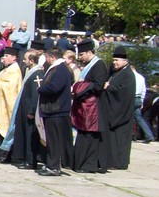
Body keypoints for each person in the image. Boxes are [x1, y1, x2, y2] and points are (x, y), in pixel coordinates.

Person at [71, 39, 111, 174]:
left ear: (89, 52)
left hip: (93, 108)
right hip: (85, 107)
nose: (80, 57)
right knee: (84, 135)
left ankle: (88, 165)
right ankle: (79, 162)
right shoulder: (89, 65)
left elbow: (98, 85)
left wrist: (80, 88)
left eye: (82, 54)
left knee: (90, 137)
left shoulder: (99, 65)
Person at [36, 48, 74, 176]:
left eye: (47, 57)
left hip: (56, 110)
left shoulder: (60, 69)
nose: (46, 60)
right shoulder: (57, 68)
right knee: (51, 140)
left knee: (54, 140)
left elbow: (54, 88)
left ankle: (53, 167)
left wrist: (40, 89)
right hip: (52, 110)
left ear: (52, 57)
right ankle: (51, 164)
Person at [8, 50, 44, 170]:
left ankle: (30, 160)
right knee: (23, 134)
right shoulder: (31, 72)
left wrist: (32, 111)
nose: (23, 61)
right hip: (24, 108)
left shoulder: (37, 74)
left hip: (29, 110)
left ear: (32, 60)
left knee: (30, 136)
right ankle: (22, 157)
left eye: (25, 59)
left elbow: (36, 94)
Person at [104, 46, 135, 170]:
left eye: (117, 60)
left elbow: (123, 93)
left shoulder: (128, 75)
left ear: (125, 61)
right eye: (113, 60)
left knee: (120, 140)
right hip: (113, 110)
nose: (114, 63)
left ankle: (119, 163)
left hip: (121, 113)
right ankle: (112, 161)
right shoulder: (116, 72)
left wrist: (109, 87)